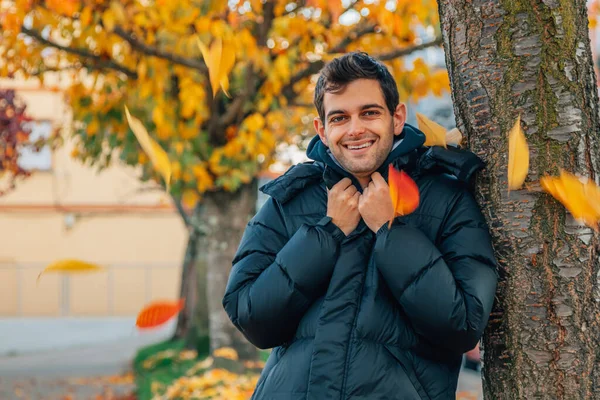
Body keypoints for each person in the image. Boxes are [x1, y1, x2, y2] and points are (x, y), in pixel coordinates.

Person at [222, 52, 498, 400]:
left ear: (397, 118)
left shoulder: (446, 200)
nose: (355, 129)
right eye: (340, 117)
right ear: (322, 130)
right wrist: (327, 233)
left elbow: (463, 327)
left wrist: (391, 232)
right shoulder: (290, 200)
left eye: (369, 113)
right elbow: (251, 319)